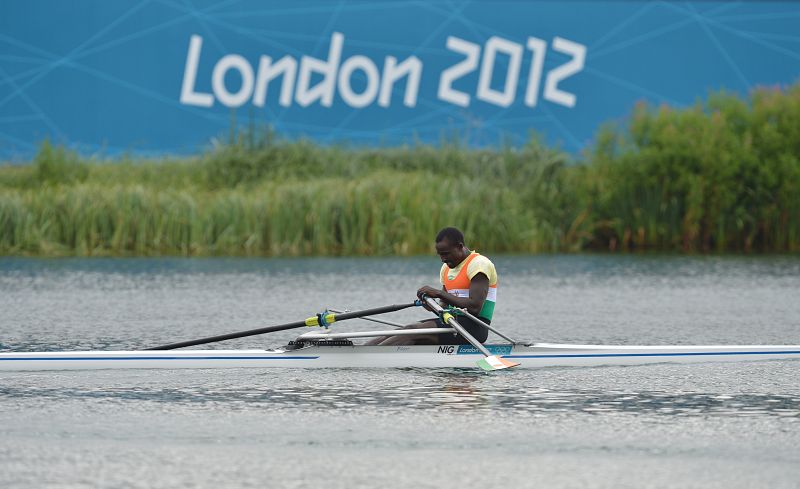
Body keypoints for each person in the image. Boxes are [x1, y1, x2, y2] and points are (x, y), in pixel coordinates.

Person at [366, 227, 498, 346]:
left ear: (460, 246)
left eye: (446, 253)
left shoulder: (479, 264)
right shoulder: (446, 269)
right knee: (405, 329)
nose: (442, 259)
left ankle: (370, 359)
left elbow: (474, 308)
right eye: (440, 254)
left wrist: (439, 293)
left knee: (412, 331)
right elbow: (444, 307)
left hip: (475, 327)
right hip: (453, 322)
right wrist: (430, 305)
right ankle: (359, 352)